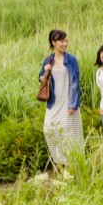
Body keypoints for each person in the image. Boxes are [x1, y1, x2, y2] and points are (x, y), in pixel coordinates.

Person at [38, 29, 82, 175]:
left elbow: (76, 83)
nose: (65, 44)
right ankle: (58, 161)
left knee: (68, 135)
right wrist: (46, 72)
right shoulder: (48, 60)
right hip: (53, 102)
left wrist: (73, 104)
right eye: (62, 41)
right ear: (53, 43)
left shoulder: (71, 59)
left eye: (66, 41)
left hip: (68, 102)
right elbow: (41, 80)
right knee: (49, 130)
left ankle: (70, 166)